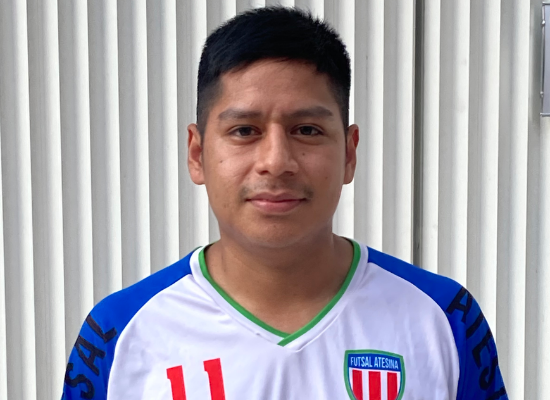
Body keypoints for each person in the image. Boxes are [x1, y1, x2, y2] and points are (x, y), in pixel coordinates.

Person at [62, 7, 507, 400]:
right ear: (196, 154)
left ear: (349, 153)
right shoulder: (118, 333)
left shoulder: (445, 318)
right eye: (244, 131)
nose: (276, 162)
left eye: (307, 130)